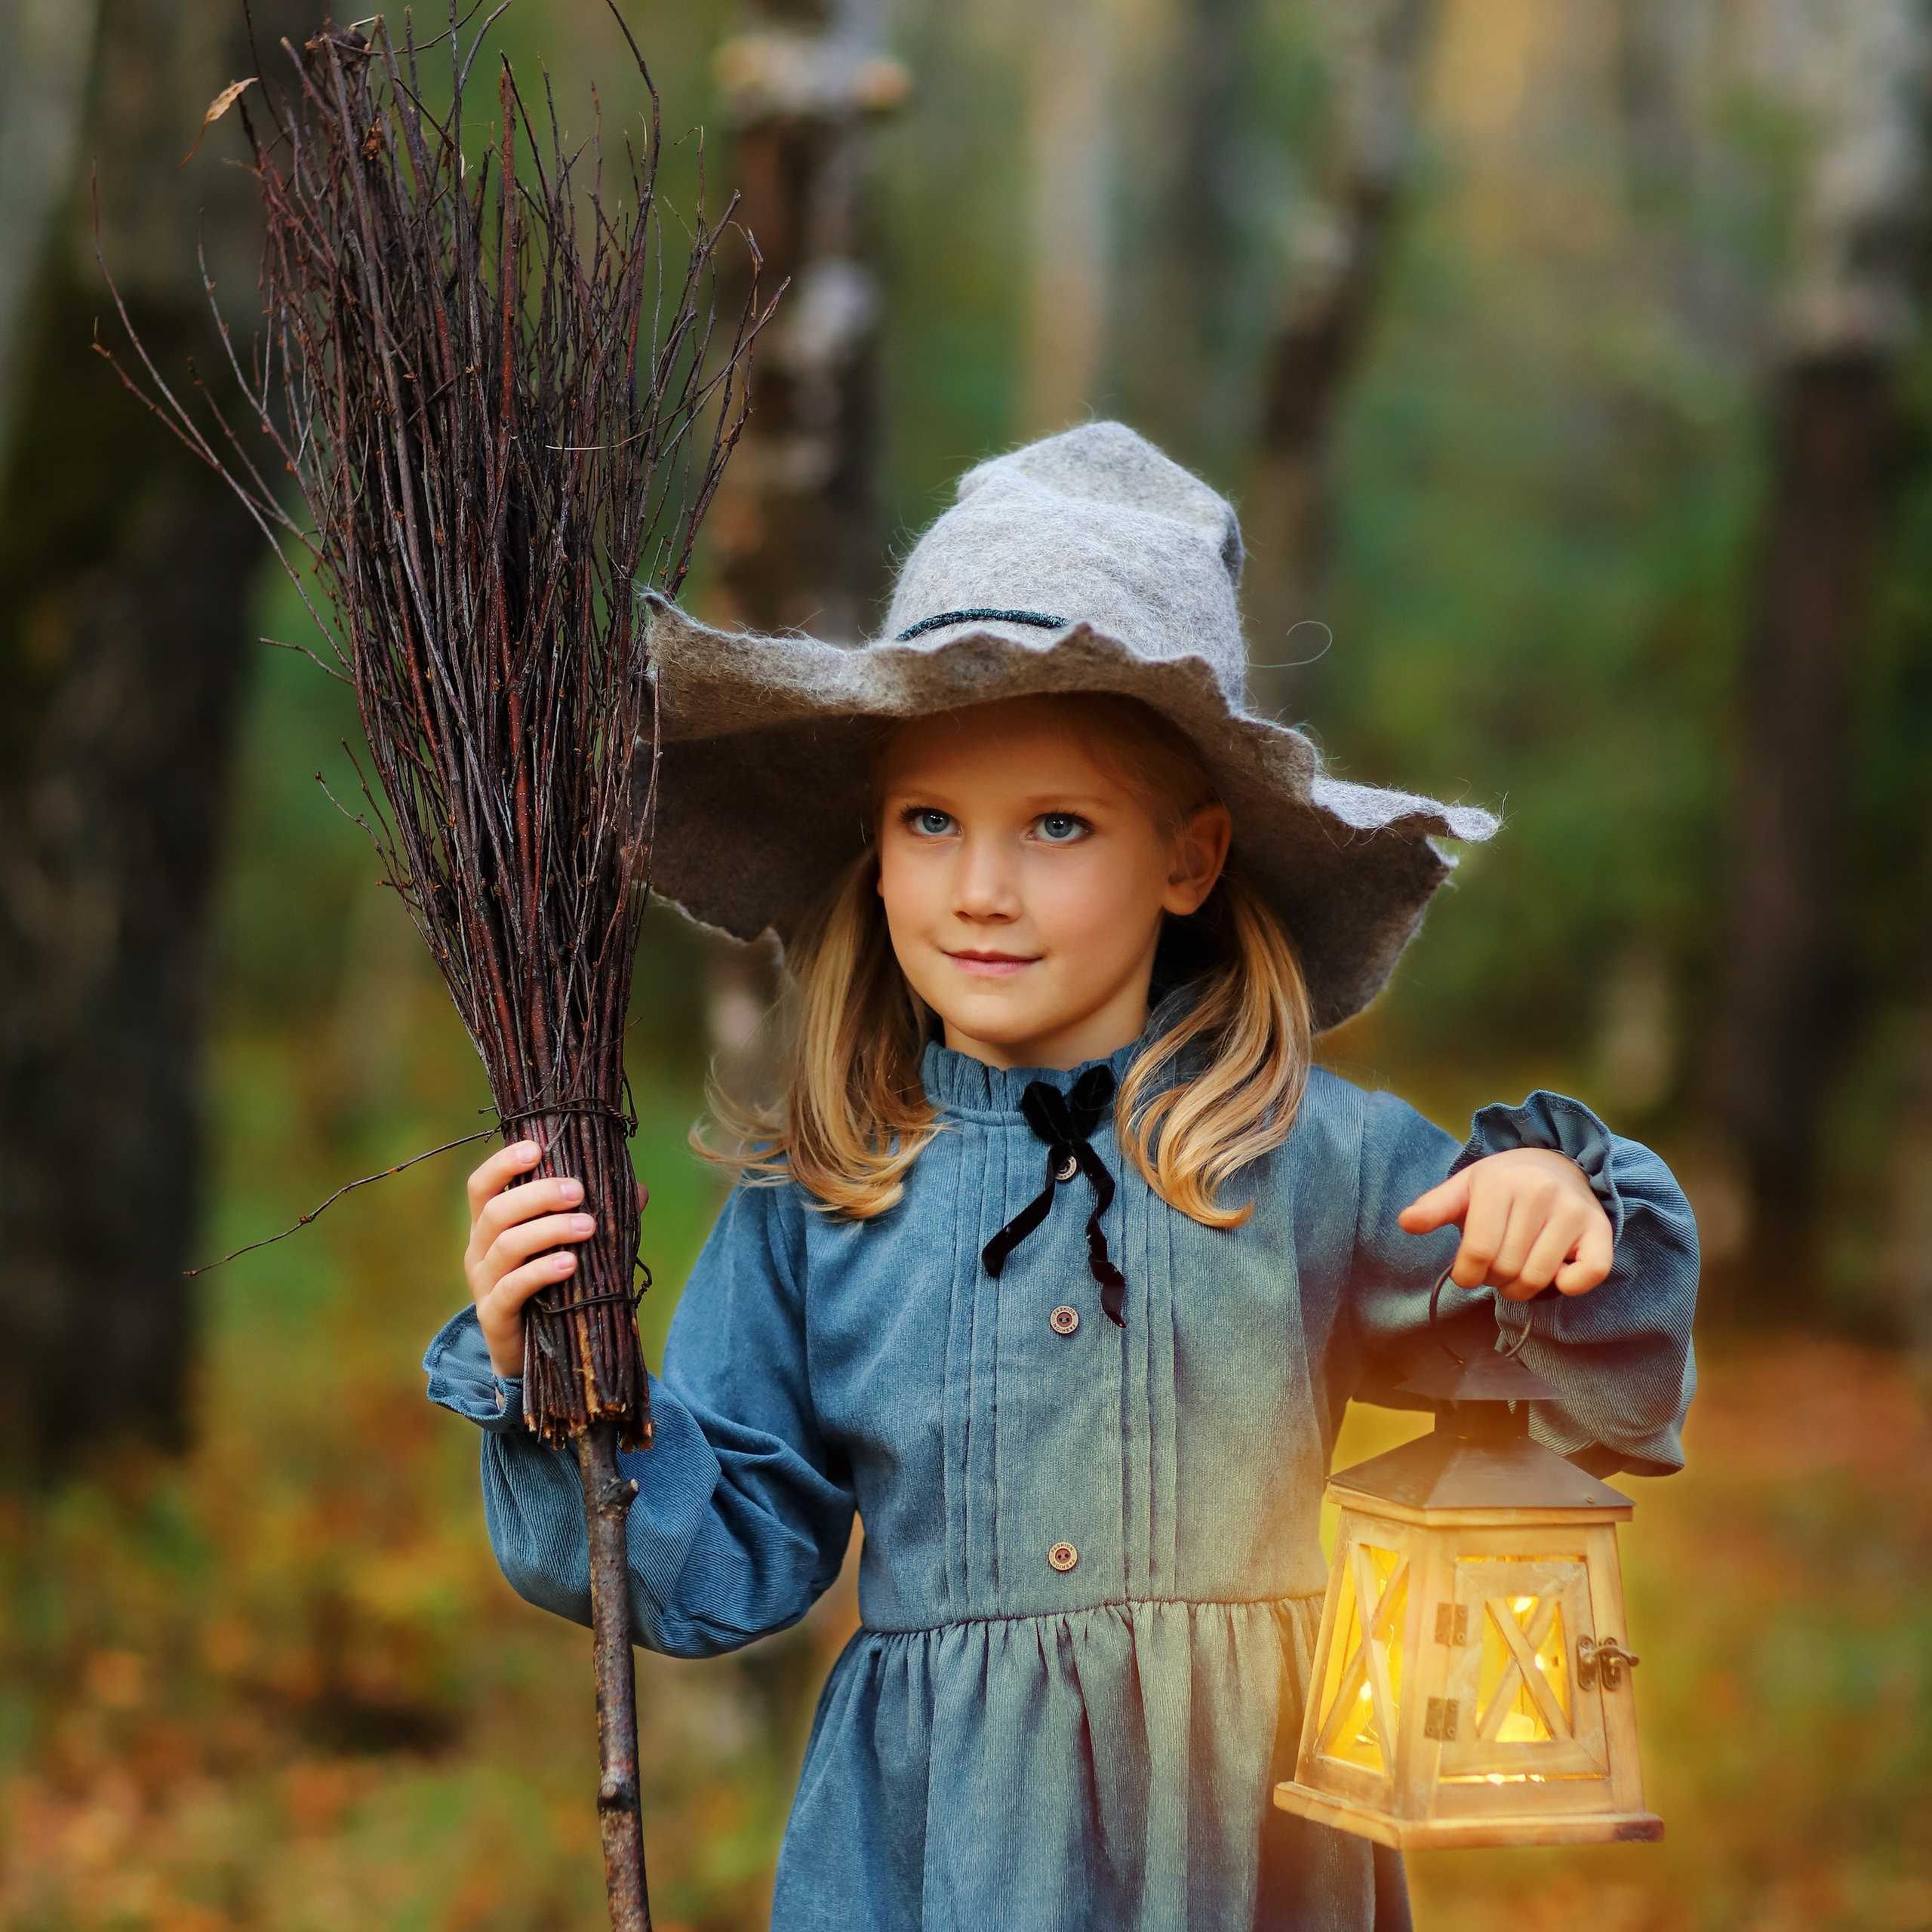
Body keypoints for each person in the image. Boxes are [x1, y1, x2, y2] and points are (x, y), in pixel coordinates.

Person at [424, 423, 1698, 1931]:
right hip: (932, 1858)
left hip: (1247, 1861)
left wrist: (1555, 1205)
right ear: (875, 851)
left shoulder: (1305, 1157)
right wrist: (547, 1372)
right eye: (928, 821)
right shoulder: (824, 1194)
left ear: (1187, 856)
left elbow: (1575, 1366)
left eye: (1055, 825)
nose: (978, 885)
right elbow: (720, 1558)